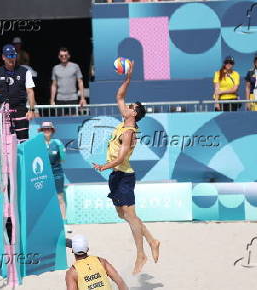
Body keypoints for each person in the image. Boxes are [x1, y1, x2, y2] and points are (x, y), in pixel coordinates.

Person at [92, 62, 160, 275]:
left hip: (123, 175)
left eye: (131, 107)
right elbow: (119, 97)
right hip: (116, 175)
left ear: (134, 114)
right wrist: (128, 78)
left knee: (130, 216)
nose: (127, 107)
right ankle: (152, 240)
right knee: (123, 215)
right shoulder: (125, 121)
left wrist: (104, 165)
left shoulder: (129, 131)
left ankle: (141, 255)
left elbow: (121, 157)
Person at [0, 44, 37, 141]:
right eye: (9, 56)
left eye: (13, 55)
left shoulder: (25, 72)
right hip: (3, 112)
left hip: (20, 110)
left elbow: (30, 91)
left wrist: (32, 110)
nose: (11, 58)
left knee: (23, 141)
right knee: (4, 142)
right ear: (3, 57)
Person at [38, 122, 69, 230]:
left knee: (60, 197)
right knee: (43, 198)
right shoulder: (38, 144)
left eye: (49, 129)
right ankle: (46, 223)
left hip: (56, 173)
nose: (46, 130)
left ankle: (64, 222)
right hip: (43, 175)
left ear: (52, 130)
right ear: (41, 131)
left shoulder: (57, 143)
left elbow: (63, 159)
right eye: (44, 129)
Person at [51, 47, 86, 115]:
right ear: (59, 57)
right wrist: (52, 100)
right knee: (60, 121)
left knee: (73, 120)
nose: (64, 57)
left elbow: (80, 82)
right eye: (61, 56)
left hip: (73, 98)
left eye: (65, 55)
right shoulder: (55, 68)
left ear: (69, 56)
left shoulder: (75, 66)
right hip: (60, 99)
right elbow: (54, 85)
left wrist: (82, 98)